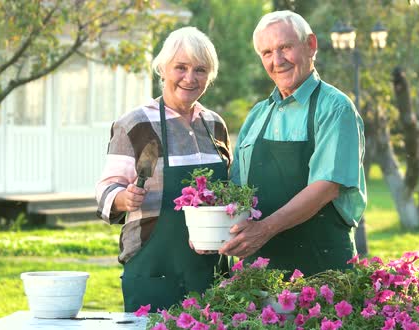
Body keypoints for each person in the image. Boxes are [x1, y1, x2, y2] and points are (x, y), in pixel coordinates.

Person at [219, 11, 367, 276]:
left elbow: (326, 187)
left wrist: (264, 229)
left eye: (285, 47)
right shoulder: (257, 115)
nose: (277, 61)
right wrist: (210, 231)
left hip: (321, 268)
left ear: (310, 45)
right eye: (267, 52)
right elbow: (236, 190)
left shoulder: (335, 108)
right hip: (257, 272)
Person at [95, 27, 232, 312]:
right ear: (163, 69)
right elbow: (106, 190)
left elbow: (228, 192)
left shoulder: (214, 124)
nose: (190, 78)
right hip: (153, 271)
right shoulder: (135, 124)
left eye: (200, 70)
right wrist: (124, 198)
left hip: (210, 273)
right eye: (180, 67)